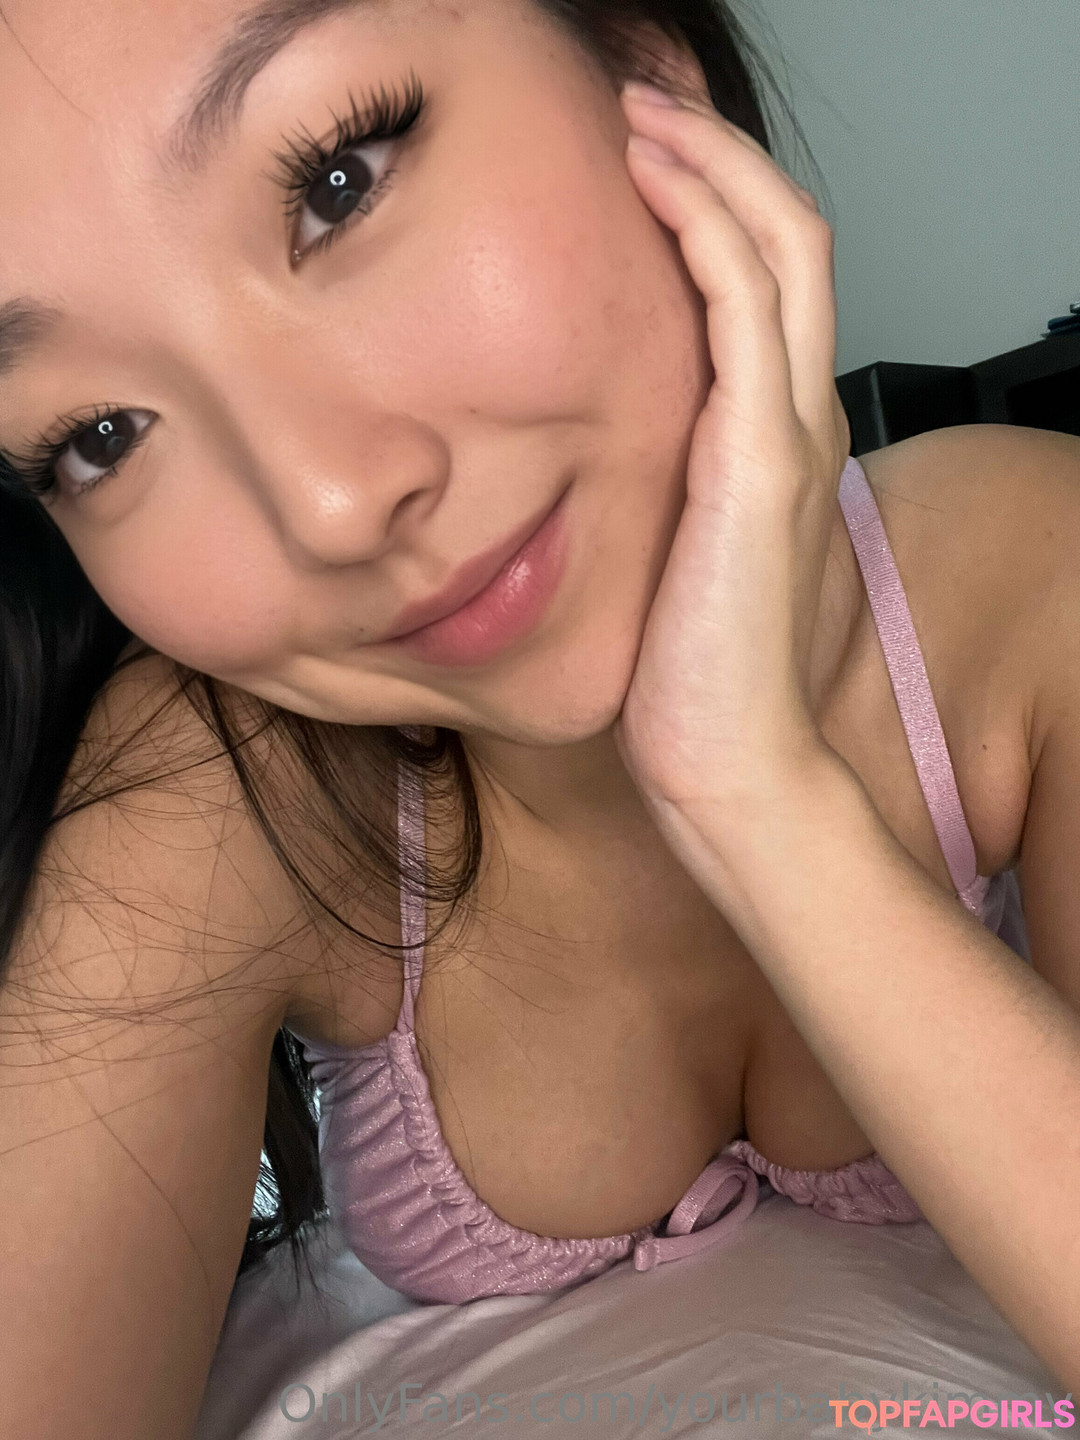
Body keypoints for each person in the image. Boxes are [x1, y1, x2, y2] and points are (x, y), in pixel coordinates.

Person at [1, 0, 1078, 1434]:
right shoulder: (225, 787)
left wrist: (754, 794)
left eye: (337, 182)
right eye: (98, 436)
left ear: (642, 61)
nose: (328, 505)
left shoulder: (1035, 568)